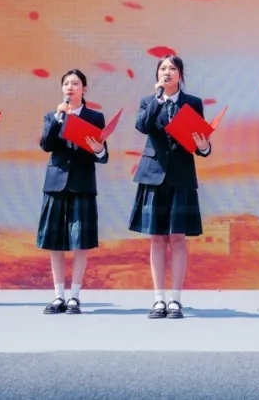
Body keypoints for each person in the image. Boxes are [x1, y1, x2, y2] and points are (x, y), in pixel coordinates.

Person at [129, 55, 211, 320]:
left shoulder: (193, 103)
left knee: (177, 238)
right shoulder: (149, 101)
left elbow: (200, 141)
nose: (167, 72)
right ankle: (158, 299)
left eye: (172, 68)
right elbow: (142, 126)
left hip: (181, 175)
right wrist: (158, 100)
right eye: (163, 68)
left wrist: (204, 146)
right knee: (156, 238)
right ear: (157, 75)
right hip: (153, 175)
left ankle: (175, 299)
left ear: (180, 75)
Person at [38, 69, 109, 315]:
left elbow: (103, 156)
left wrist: (98, 148)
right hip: (56, 183)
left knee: (80, 241)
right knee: (55, 242)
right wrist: (58, 119)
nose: (70, 87)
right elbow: (46, 144)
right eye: (66, 83)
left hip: (82, 183)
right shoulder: (52, 115)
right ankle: (58, 296)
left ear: (84, 89)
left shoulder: (94, 117)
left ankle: (75, 297)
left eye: (75, 83)